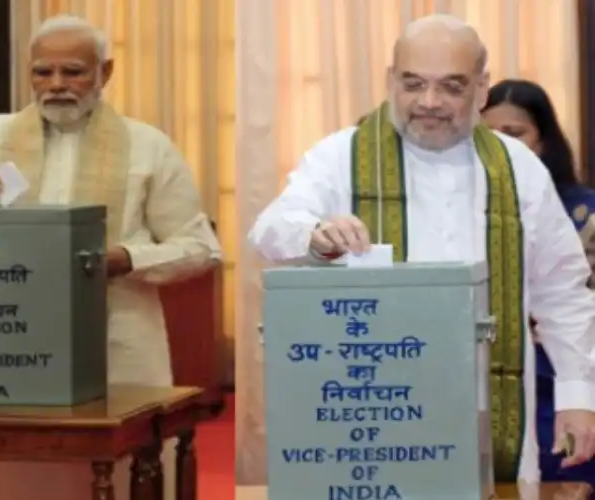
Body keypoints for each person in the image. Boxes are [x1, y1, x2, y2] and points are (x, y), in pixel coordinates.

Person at [249, 14, 595, 485]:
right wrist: (315, 234)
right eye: (413, 84)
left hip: (488, 406)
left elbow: (563, 291)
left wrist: (578, 396)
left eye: (451, 86)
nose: (429, 102)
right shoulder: (342, 156)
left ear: (481, 88)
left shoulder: (519, 169)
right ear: (391, 80)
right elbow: (269, 229)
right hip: (373, 409)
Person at [0, 14, 221, 500]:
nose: (56, 85)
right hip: (4, 335)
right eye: (43, 72)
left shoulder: (149, 147)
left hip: (115, 331)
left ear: (106, 71)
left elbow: (200, 248)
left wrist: (125, 258)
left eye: (73, 71)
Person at [482, 78, 595, 488]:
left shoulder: (584, 212)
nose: (501, 144)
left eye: (514, 133)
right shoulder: (463, 206)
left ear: (543, 141)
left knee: (565, 478)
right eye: (488, 132)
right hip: (487, 376)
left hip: (564, 374)